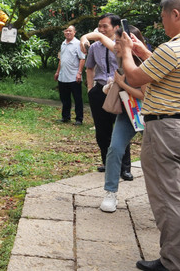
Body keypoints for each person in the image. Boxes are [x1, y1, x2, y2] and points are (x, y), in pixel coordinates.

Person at [117, 0, 180, 271]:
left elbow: (135, 76)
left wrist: (126, 53)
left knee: (171, 201)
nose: (162, 24)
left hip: (167, 131)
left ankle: (174, 264)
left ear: (175, 14)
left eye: (163, 17)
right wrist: (143, 52)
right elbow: (170, 69)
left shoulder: (172, 49)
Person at [89, 25, 148, 213]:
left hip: (151, 114)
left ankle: (164, 197)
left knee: (154, 157)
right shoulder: (120, 61)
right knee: (114, 149)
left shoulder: (144, 62)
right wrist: (113, 85)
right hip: (128, 114)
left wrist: (122, 83)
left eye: (118, 42)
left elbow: (143, 95)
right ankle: (110, 193)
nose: (114, 45)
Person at [82, 14, 132, 177]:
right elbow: (89, 67)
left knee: (121, 128)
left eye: (105, 26)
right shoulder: (95, 47)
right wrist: (90, 88)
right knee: (102, 131)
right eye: (99, 26)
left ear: (116, 27)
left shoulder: (122, 45)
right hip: (100, 90)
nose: (101, 29)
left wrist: (90, 36)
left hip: (119, 90)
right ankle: (108, 163)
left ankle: (125, 168)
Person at [54, 25, 86, 124]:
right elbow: (61, 59)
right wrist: (57, 72)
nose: (68, 33)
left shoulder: (78, 44)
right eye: (66, 31)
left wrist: (79, 73)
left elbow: (82, 59)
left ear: (74, 32)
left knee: (77, 98)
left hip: (74, 76)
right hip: (63, 76)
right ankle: (65, 117)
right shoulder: (63, 44)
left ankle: (79, 119)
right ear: (64, 32)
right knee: (64, 98)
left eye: (70, 31)